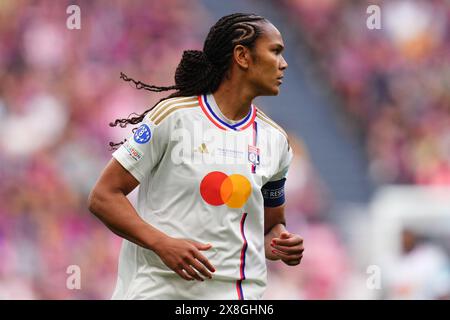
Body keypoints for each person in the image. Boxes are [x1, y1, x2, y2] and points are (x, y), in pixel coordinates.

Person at [88, 13, 304, 300]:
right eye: (275, 51)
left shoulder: (275, 140)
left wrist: (280, 243)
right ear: (242, 56)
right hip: (158, 292)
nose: (283, 63)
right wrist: (162, 244)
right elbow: (103, 197)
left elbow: (270, 226)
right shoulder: (173, 117)